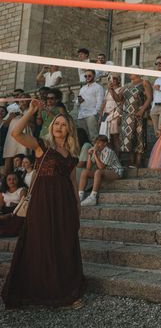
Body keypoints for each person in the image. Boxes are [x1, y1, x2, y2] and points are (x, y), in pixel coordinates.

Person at [2, 100, 86, 309]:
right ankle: (45, 291)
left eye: (63, 125)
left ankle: (65, 289)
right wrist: (31, 111)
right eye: (56, 124)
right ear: (51, 127)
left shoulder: (72, 155)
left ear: (69, 130)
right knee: (43, 244)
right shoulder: (43, 146)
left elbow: (72, 183)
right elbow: (16, 134)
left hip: (65, 204)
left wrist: (77, 208)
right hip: (43, 202)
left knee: (63, 244)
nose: (59, 127)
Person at [118, 72, 153, 169]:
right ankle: (131, 161)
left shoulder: (144, 82)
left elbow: (149, 97)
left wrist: (142, 110)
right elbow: (118, 99)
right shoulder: (126, 86)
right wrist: (111, 90)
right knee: (129, 138)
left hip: (138, 113)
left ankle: (138, 162)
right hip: (127, 115)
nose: (128, 73)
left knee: (139, 136)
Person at [78, 135, 123, 207]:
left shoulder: (109, 151)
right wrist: (89, 154)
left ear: (105, 143)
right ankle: (80, 196)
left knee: (98, 171)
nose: (96, 145)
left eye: (98, 143)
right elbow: (88, 168)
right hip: (104, 172)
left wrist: (95, 154)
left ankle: (93, 197)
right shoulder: (97, 151)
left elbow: (101, 167)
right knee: (84, 172)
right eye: (95, 143)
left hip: (116, 172)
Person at [3, 99, 32, 174]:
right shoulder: (12, 110)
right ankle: (6, 179)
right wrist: (10, 117)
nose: (22, 101)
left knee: (24, 155)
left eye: (24, 99)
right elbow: (5, 125)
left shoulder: (31, 110)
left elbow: (34, 125)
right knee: (9, 156)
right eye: (21, 100)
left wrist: (25, 117)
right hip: (12, 137)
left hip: (24, 135)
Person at [76, 69, 104, 140]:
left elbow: (100, 101)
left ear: (94, 76)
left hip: (91, 115)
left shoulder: (98, 87)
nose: (87, 77)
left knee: (93, 136)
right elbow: (77, 102)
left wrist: (96, 114)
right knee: (82, 137)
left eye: (89, 76)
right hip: (81, 115)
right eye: (85, 76)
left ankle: (95, 150)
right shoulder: (82, 88)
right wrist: (79, 101)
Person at [99, 74, 123, 156]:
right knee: (106, 137)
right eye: (110, 79)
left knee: (115, 136)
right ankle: (110, 156)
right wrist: (100, 116)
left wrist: (120, 116)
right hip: (106, 114)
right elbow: (104, 103)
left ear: (119, 80)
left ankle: (117, 156)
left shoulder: (121, 89)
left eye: (114, 78)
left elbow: (120, 102)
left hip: (115, 113)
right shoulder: (107, 91)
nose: (112, 80)